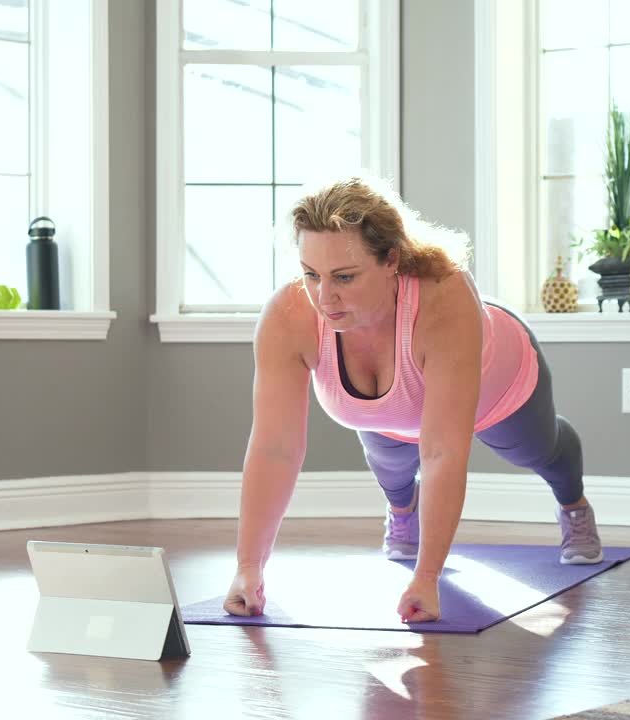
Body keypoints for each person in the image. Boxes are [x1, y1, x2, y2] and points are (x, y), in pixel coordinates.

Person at [223, 176, 602, 624]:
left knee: (542, 450)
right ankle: (403, 512)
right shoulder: (288, 316)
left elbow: (442, 450)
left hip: (498, 388)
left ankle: (574, 506)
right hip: (393, 414)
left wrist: (427, 575)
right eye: (311, 274)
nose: (325, 297)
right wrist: (248, 569)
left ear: (392, 261)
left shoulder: (445, 295)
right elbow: (274, 448)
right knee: (392, 469)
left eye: (345, 276)